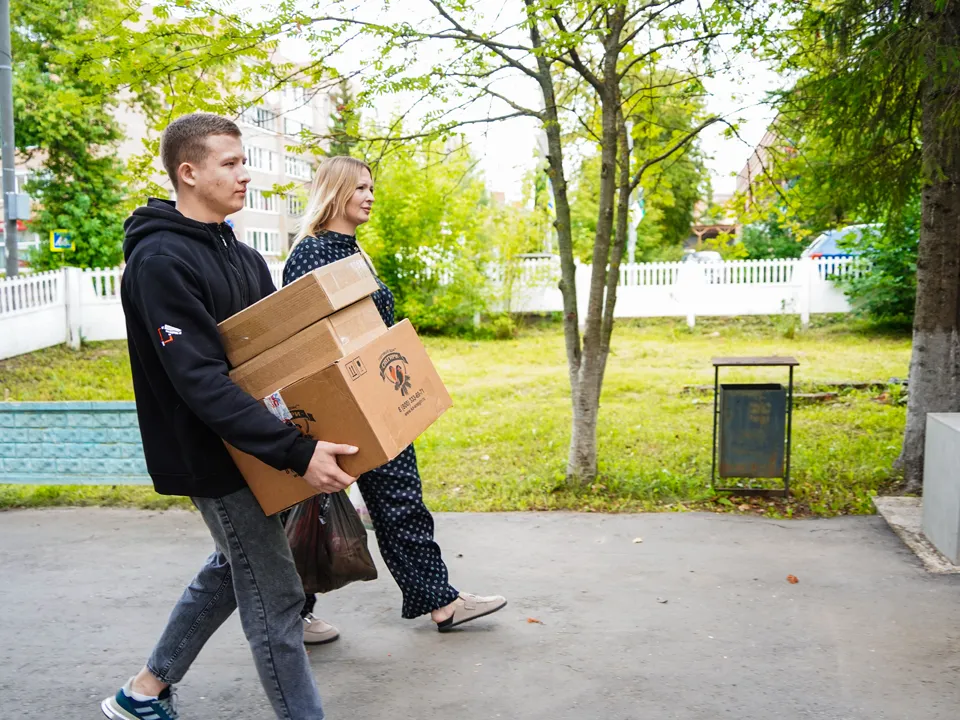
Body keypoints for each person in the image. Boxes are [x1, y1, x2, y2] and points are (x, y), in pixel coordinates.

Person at [101, 113, 356, 720]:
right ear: (188, 173)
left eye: (246, 161)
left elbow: (270, 360)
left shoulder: (242, 255)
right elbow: (200, 382)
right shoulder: (161, 261)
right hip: (212, 456)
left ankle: (143, 691)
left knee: (230, 567)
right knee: (276, 596)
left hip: (259, 447)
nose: (247, 175)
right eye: (231, 163)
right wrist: (295, 452)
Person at [284, 156, 508, 641]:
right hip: (343, 403)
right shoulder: (311, 253)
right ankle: (291, 612)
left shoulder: (351, 251)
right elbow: (306, 342)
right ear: (336, 191)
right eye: (360, 187)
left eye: (371, 187)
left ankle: (441, 602)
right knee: (311, 507)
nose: (369, 195)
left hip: (373, 395)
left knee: (398, 499)